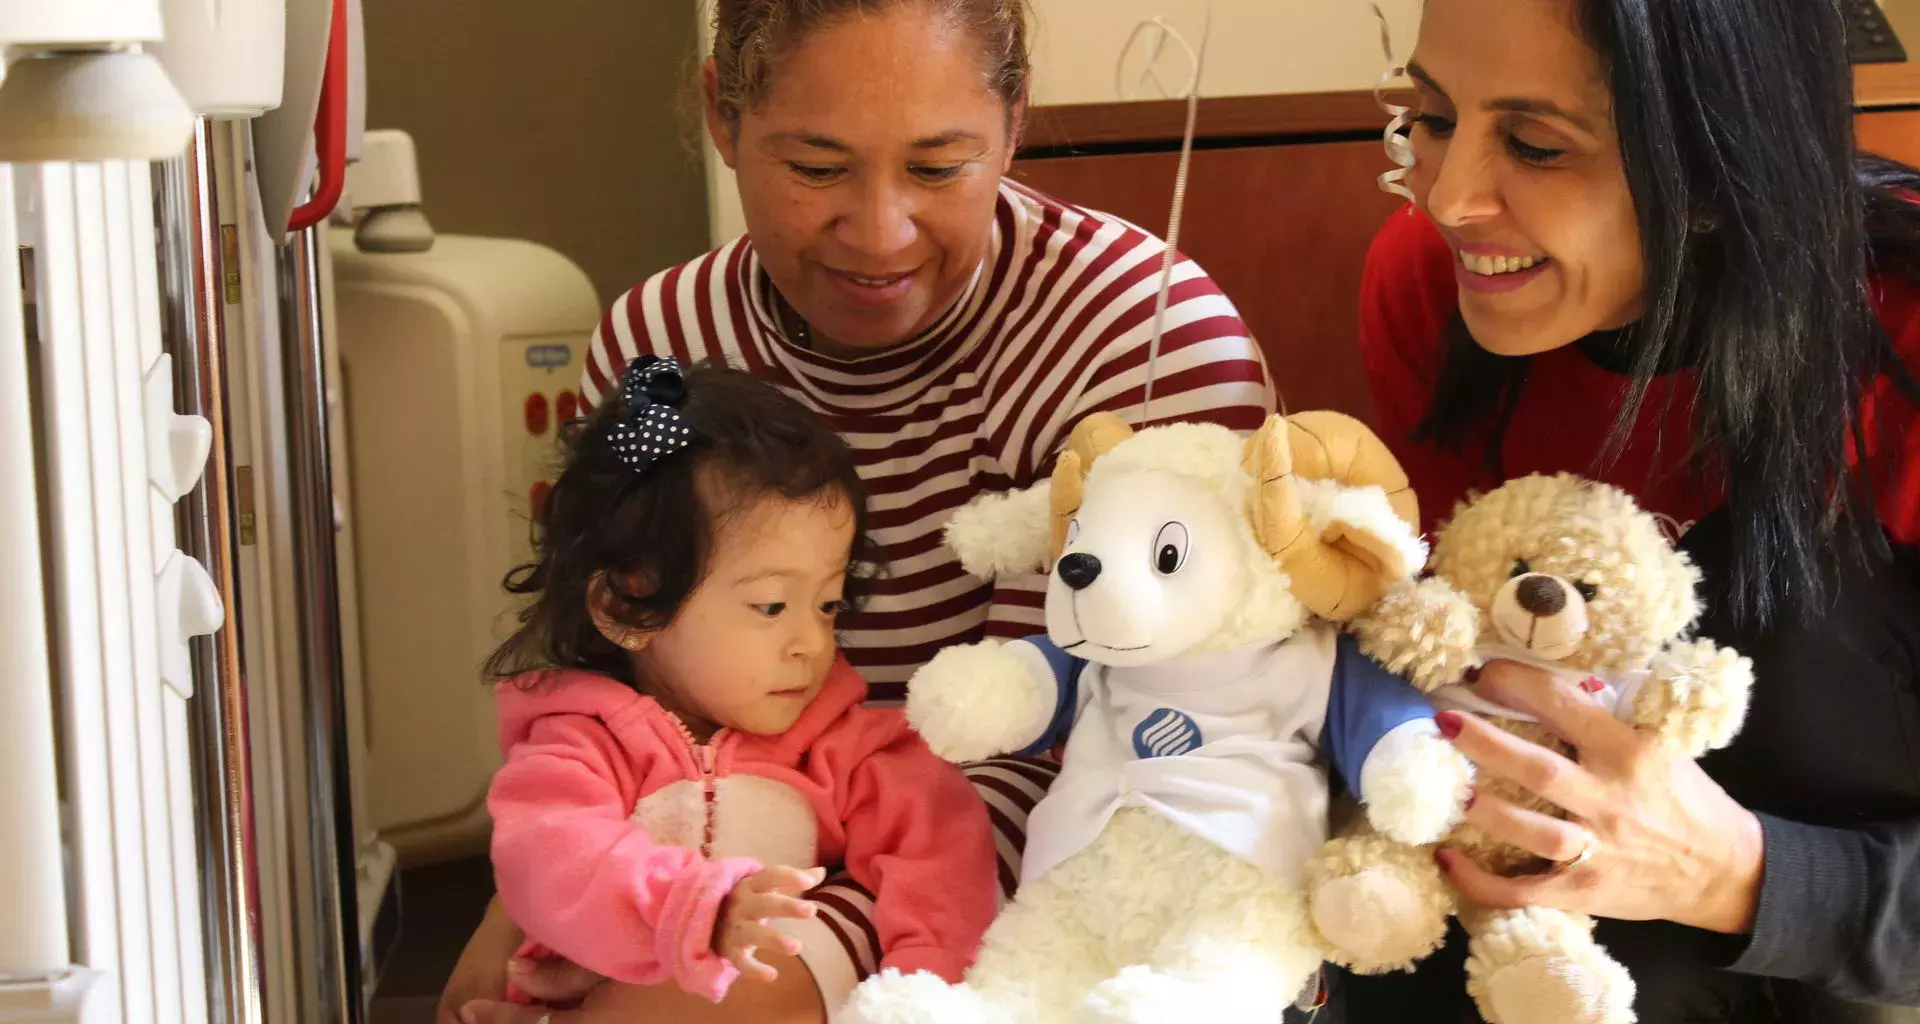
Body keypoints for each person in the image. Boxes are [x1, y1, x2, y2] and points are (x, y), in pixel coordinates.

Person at [443, 0, 1274, 1021]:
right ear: (722, 114)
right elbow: (621, 671)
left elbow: (1104, 759)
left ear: (1016, 117)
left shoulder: (1139, 337)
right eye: (817, 167)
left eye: (937, 167)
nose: (880, 233)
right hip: (716, 874)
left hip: (1027, 903)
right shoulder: (658, 357)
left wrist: (785, 964)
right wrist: (539, 895)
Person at [1346, 0, 1920, 1020]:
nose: (1449, 198)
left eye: (1534, 143)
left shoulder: (1896, 336)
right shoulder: (1427, 286)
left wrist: (1737, 874)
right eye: (1432, 117)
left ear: (1714, 158)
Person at [479, 357, 997, 1011]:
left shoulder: (857, 749)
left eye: (828, 604)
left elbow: (941, 867)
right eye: (772, 606)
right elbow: (552, 861)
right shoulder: (574, 745)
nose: (811, 641)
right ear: (629, 608)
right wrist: (699, 910)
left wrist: (926, 992)